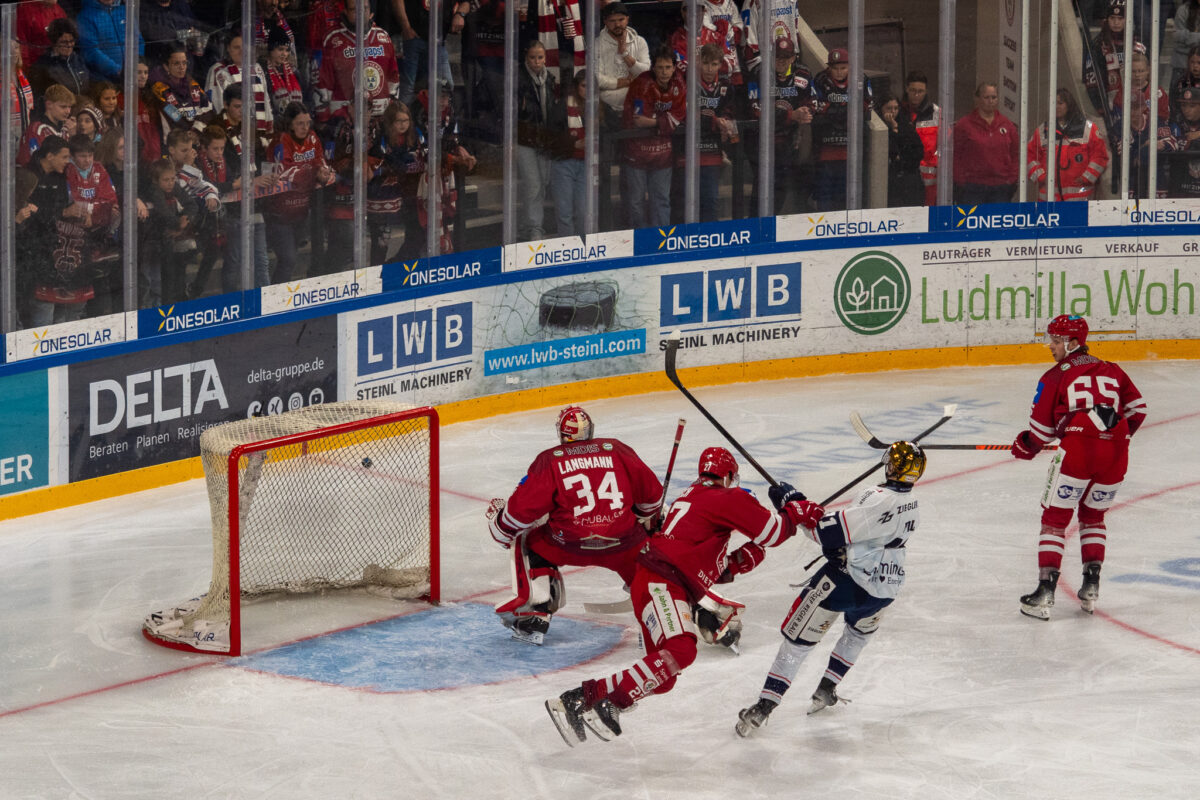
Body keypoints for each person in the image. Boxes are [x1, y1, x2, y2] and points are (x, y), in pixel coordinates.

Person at [544, 446, 798, 745]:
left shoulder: (694, 498)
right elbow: (775, 532)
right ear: (729, 476)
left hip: (655, 581)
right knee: (682, 650)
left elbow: (696, 561)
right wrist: (794, 507)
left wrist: (736, 563)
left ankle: (578, 699)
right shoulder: (726, 497)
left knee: (663, 677)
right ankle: (612, 703)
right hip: (663, 583)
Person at [734, 441, 927, 737]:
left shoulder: (876, 498)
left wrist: (793, 504)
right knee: (857, 635)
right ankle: (826, 689)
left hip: (844, 583)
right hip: (885, 587)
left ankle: (763, 707)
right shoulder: (912, 503)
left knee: (797, 644)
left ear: (891, 466)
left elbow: (825, 532)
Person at [487, 406, 663, 646]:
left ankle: (536, 612)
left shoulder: (549, 460)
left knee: (528, 540)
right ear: (591, 430)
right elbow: (652, 499)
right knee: (648, 554)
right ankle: (656, 613)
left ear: (562, 434)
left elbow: (519, 515)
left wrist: (499, 526)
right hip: (623, 544)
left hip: (567, 544)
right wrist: (641, 521)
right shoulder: (617, 449)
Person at [1011, 315, 1148, 620]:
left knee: (1055, 518)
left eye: (1056, 340)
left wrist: (1025, 446)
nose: (1050, 346)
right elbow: (1138, 409)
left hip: (1079, 450)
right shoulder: (1112, 369)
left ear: (1072, 343)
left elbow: (1041, 433)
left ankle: (1044, 592)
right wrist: (1115, 436)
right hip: (1116, 452)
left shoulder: (1054, 376)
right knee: (1094, 517)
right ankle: (1091, 587)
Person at [21, 135, 94, 326]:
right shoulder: (27, 176)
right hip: (33, 251)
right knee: (43, 309)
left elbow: (60, 207)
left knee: (63, 307)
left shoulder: (60, 176)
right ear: (50, 156)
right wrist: (62, 212)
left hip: (57, 249)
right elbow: (29, 214)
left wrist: (78, 214)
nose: (68, 161)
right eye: (64, 157)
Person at [264, 102, 334, 283]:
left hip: (301, 212)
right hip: (279, 213)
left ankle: (280, 293)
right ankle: (275, 297)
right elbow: (282, 173)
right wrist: (311, 172)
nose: (305, 127)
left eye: (307, 123)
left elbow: (320, 159)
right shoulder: (280, 141)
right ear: (290, 124)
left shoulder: (312, 137)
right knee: (288, 260)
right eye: (299, 123)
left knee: (290, 259)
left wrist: (322, 170)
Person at [745, 37, 813, 216]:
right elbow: (756, 110)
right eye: (777, 57)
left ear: (793, 57)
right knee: (762, 188)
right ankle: (756, 226)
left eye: (786, 57)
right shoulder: (759, 73)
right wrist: (791, 115)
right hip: (761, 142)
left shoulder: (803, 74)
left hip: (788, 143)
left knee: (781, 188)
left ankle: (772, 226)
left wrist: (806, 111)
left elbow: (813, 101)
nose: (781, 61)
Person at [622, 46, 685, 230]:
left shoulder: (679, 83)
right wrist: (663, 121)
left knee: (661, 200)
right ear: (653, 68)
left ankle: (661, 240)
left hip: (663, 154)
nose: (664, 72)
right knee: (636, 202)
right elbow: (639, 120)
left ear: (674, 68)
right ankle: (640, 240)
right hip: (637, 152)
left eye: (668, 67)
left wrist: (655, 122)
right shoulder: (642, 84)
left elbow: (678, 116)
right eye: (660, 67)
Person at [315, 1, 400, 127]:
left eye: (365, 8)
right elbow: (323, 81)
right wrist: (323, 119)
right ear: (345, 12)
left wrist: (392, 108)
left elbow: (393, 76)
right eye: (354, 10)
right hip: (343, 117)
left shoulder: (383, 37)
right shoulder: (332, 39)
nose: (361, 13)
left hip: (380, 115)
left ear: (370, 11)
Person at [811, 48, 872, 212]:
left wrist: (833, 110)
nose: (839, 72)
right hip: (826, 150)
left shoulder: (861, 79)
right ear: (829, 67)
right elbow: (817, 110)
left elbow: (866, 110)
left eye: (843, 68)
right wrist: (845, 111)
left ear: (850, 66)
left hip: (851, 152)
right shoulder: (820, 80)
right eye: (835, 68)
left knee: (850, 199)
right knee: (825, 198)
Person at [1027, 88, 1110, 201]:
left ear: (1069, 105)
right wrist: (1040, 176)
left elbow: (1100, 156)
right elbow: (1029, 156)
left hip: (1080, 198)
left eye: (1060, 103)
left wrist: (1087, 177)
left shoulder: (1088, 128)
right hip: (1049, 201)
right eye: (1053, 103)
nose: (1056, 107)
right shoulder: (1042, 130)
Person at [517, 41, 559, 241]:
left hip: (544, 139)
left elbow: (551, 109)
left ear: (545, 58)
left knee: (543, 183)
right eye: (532, 57)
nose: (536, 61)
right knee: (533, 184)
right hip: (524, 138)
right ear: (526, 58)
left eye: (540, 57)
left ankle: (527, 224)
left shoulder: (549, 79)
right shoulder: (518, 78)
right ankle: (535, 228)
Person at [952, 82, 1019, 205]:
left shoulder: (1007, 125)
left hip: (1001, 188)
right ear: (977, 99)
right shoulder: (964, 125)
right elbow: (955, 155)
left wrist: (1011, 180)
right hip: (972, 189)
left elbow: (1015, 154)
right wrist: (961, 181)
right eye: (986, 97)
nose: (990, 101)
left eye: (994, 97)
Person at [694, 44, 738, 222]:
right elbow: (686, 114)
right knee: (687, 200)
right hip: (687, 150)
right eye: (705, 63)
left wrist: (726, 125)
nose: (709, 69)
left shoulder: (726, 85)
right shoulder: (688, 81)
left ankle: (710, 234)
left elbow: (730, 113)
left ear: (720, 64)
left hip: (712, 150)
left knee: (710, 200)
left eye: (714, 64)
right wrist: (714, 121)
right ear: (699, 62)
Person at [594, 2, 650, 127]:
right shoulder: (596, 45)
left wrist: (624, 54)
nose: (617, 24)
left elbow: (646, 73)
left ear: (627, 19)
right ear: (605, 22)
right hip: (608, 105)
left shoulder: (639, 41)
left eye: (621, 19)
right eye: (612, 21)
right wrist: (627, 82)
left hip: (637, 103)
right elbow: (596, 79)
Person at [1083, 1, 1143, 117]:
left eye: (1120, 18)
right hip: (1110, 107)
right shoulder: (1098, 45)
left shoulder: (1137, 44)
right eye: (1112, 18)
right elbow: (1092, 82)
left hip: (1137, 104)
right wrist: (1101, 108)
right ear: (1106, 20)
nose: (1116, 23)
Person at [549, 70, 588, 237]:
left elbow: (610, 128)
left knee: (584, 212)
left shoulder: (599, 106)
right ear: (576, 87)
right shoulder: (562, 106)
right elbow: (551, 136)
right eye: (584, 86)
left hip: (586, 164)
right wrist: (573, 144)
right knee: (564, 212)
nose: (588, 90)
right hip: (564, 162)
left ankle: (584, 247)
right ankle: (568, 247)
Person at [77, 0, 145, 84]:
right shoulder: (86, 16)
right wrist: (118, 71)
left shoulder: (125, 11)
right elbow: (91, 51)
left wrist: (136, 65)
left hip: (132, 77)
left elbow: (138, 41)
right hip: (104, 81)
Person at [900, 71, 940, 206]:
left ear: (926, 91)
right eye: (913, 90)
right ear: (907, 89)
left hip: (930, 181)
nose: (916, 95)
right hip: (904, 177)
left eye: (920, 91)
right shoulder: (898, 110)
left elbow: (946, 145)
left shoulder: (936, 113)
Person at [878, 92, 925, 208]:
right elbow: (892, 153)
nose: (893, 112)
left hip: (909, 180)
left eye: (896, 108)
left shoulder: (906, 126)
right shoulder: (877, 129)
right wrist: (893, 129)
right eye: (889, 108)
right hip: (890, 183)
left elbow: (918, 151)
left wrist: (902, 158)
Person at [29, 18, 90, 100]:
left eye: (72, 41)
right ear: (54, 42)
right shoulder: (43, 66)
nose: (69, 45)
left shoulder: (78, 59)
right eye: (64, 42)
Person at [16, 0, 68, 71]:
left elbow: (68, 41)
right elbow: (21, 50)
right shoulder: (24, 11)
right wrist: (28, 73)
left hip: (59, 66)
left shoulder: (58, 9)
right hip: (36, 70)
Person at [1168, 86, 1200, 196]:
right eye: (1183, 105)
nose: (1186, 110)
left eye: (1192, 106)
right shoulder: (1176, 120)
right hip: (1181, 182)